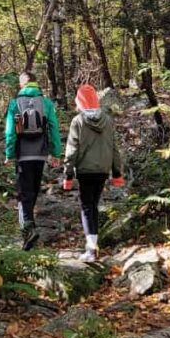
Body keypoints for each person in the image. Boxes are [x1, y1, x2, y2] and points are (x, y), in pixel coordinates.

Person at [63, 84, 123, 262]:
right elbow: (114, 148)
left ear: (80, 102)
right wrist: (117, 172)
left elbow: (72, 150)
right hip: (103, 170)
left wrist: (67, 175)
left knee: (87, 207)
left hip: (85, 170)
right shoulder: (108, 120)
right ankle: (93, 243)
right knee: (93, 206)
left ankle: (91, 249)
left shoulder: (78, 121)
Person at [4, 71, 61, 250]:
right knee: (34, 189)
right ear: (36, 84)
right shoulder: (46, 103)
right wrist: (56, 153)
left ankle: (28, 229)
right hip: (40, 155)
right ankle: (30, 226)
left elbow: (10, 132)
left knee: (23, 193)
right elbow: (54, 128)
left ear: (22, 84)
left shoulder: (15, 103)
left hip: (23, 155)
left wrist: (9, 153)